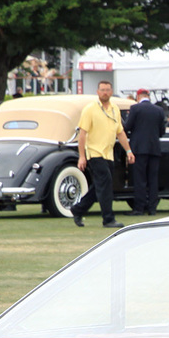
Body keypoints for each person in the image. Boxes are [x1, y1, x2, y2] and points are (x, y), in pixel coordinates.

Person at [70, 79, 132, 229]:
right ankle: (108, 219)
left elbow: (120, 132)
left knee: (101, 186)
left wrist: (129, 150)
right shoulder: (90, 109)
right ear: (98, 92)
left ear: (111, 92)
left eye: (107, 90)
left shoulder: (114, 109)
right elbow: (82, 134)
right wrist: (82, 156)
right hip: (94, 153)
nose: (105, 92)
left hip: (108, 154)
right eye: (102, 90)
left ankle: (78, 209)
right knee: (105, 185)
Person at [124, 87, 166, 216]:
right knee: (153, 180)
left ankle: (139, 208)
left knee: (140, 179)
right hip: (154, 148)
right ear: (148, 96)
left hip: (139, 148)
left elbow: (127, 127)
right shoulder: (159, 110)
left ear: (138, 97)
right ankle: (152, 208)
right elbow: (162, 131)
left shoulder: (135, 109)